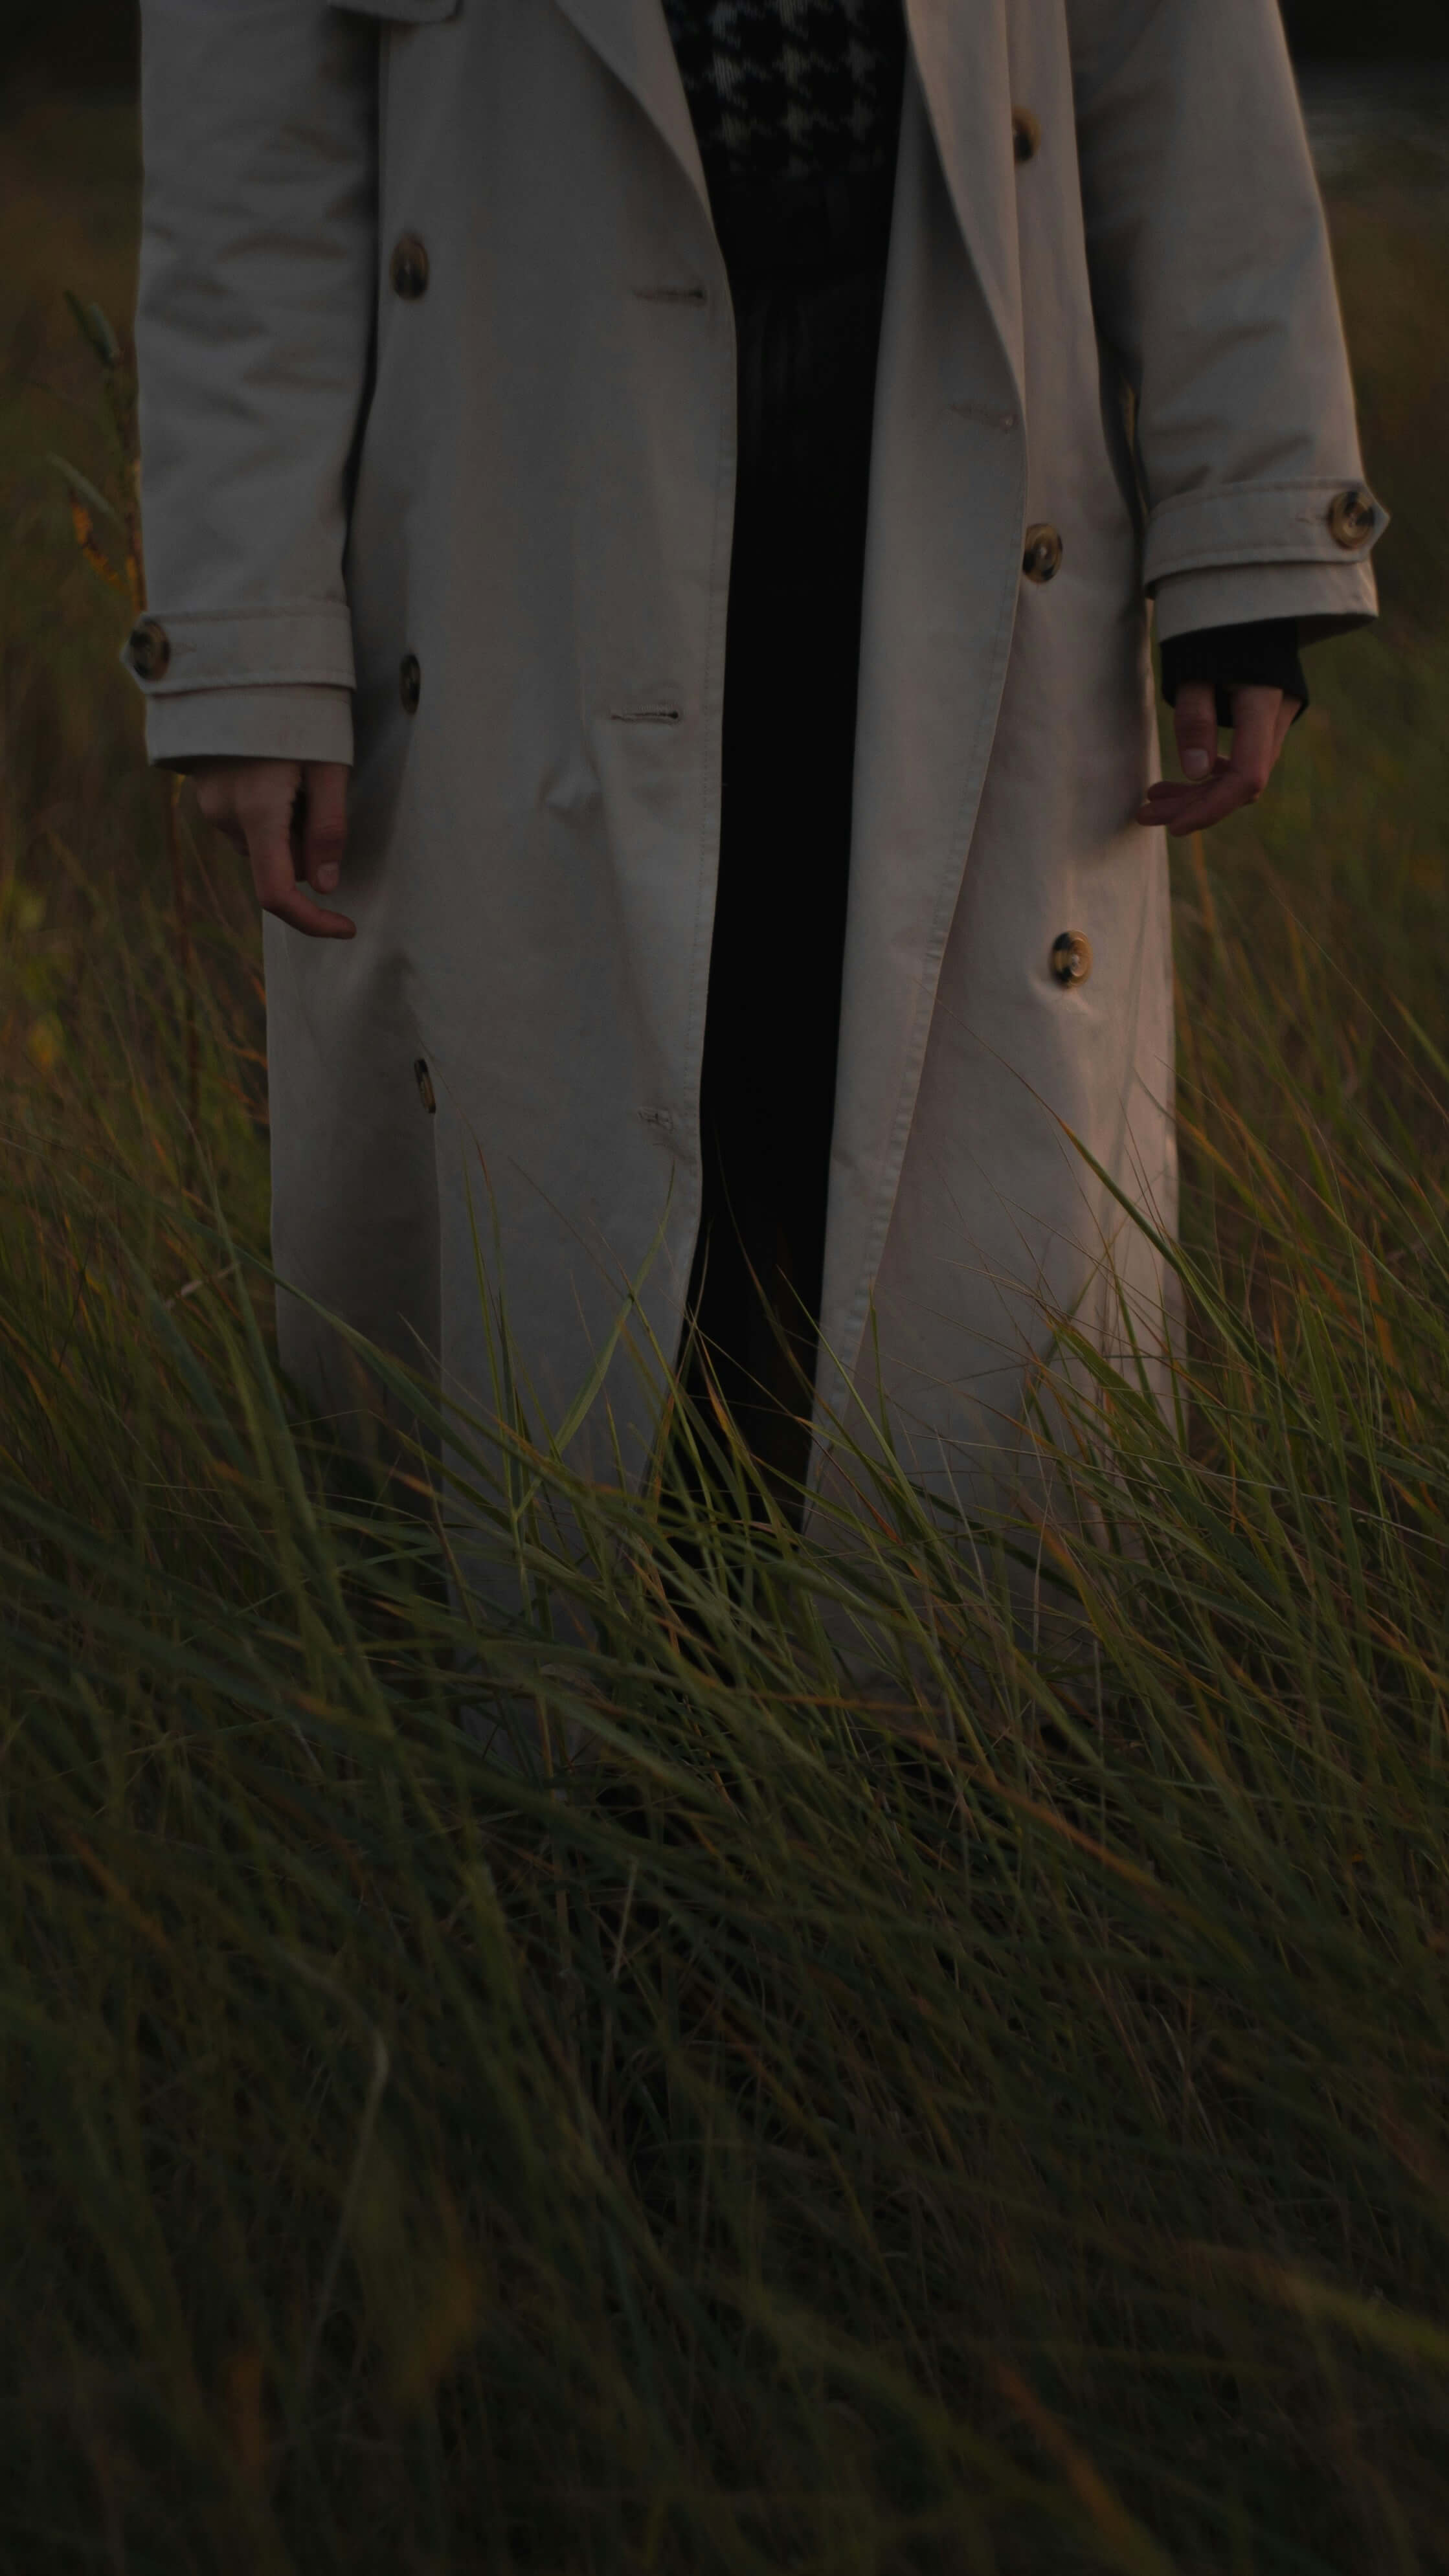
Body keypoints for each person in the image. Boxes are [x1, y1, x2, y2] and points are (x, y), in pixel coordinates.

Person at [128, 0, 1382, 1511]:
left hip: (951, 417)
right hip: (517, 477)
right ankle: (568, 1714)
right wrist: (249, 640)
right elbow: (248, 162)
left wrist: (1250, 530)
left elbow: (1178, 61)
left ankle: (947, 1721)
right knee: (579, 1139)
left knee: (919, 1135)